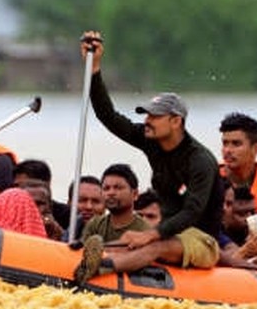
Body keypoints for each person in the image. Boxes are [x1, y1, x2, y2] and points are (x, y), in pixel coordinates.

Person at [72, 30, 223, 283]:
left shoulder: (200, 160)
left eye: (154, 116)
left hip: (202, 239)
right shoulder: (150, 140)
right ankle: (91, 258)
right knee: (128, 242)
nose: (147, 121)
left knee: (152, 247)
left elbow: (192, 212)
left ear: (176, 121)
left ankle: (100, 269)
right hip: (169, 234)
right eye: (146, 115)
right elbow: (109, 117)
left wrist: (151, 235)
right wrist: (95, 68)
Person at [80, 163, 150, 243]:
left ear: (135, 194)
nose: (111, 193)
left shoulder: (144, 231)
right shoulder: (95, 225)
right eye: (106, 188)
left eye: (118, 188)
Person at [14, 159, 70, 232]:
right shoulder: (10, 210)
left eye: (27, 185)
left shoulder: (67, 215)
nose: (18, 190)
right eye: (16, 186)